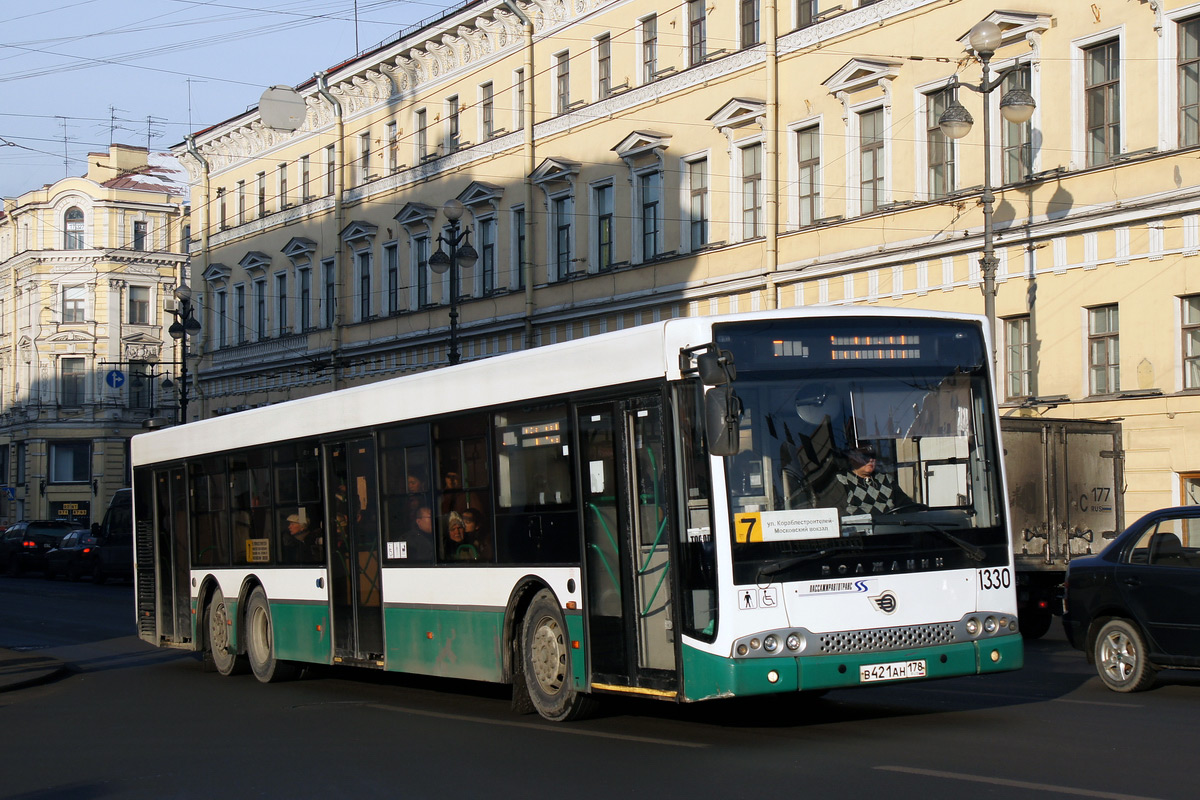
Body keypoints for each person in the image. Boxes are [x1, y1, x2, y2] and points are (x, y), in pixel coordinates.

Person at [835, 445, 916, 515]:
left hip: (891, 528)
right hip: (860, 531)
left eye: (873, 456)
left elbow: (906, 505)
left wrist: (921, 511)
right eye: (865, 456)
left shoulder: (886, 478)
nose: (870, 459)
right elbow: (839, 512)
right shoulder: (842, 479)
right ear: (852, 459)